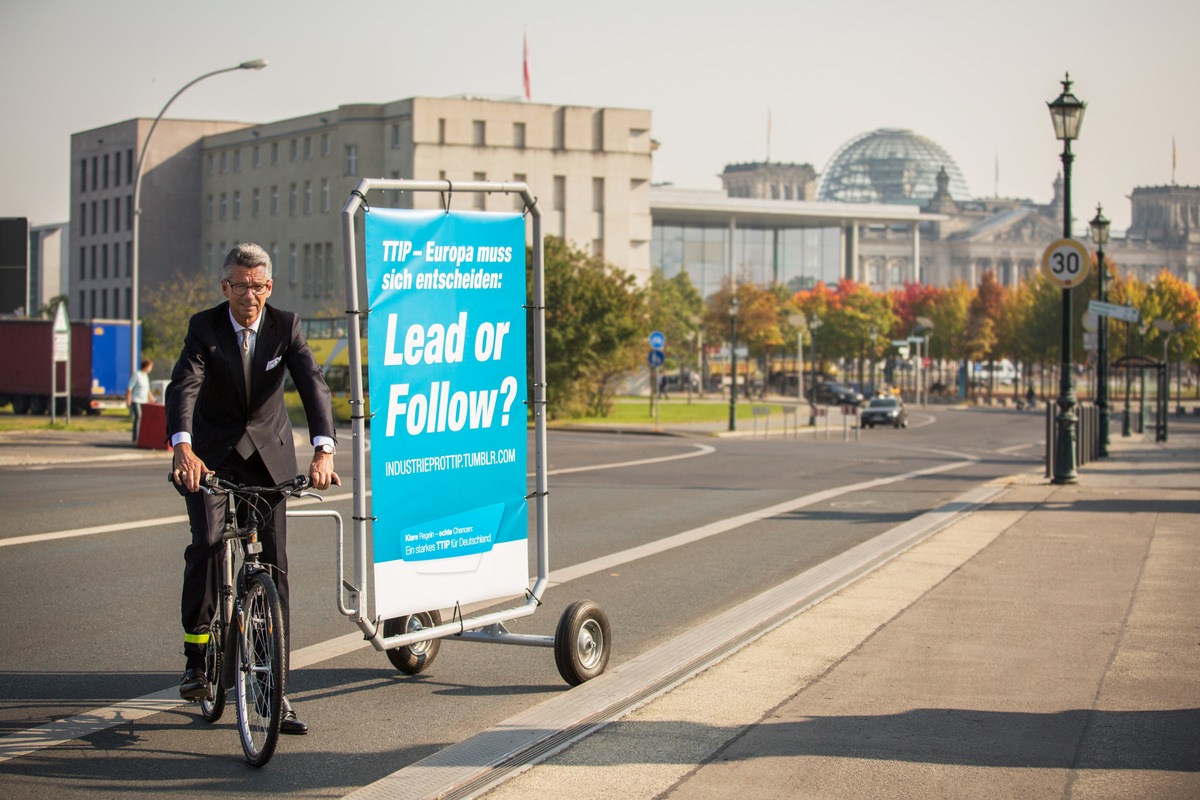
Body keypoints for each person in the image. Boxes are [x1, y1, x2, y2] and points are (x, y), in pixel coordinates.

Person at [166, 243, 339, 736]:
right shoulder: (205, 327)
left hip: (268, 457)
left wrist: (324, 449)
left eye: (259, 286)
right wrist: (183, 446)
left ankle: (275, 693)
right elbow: (184, 386)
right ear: (226, 287)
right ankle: (197, 657)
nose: (250, 296)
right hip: (210, 456)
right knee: (206, 541)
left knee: (275, 566)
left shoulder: (286, 326)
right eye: (240, 286)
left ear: (270, 287)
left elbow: (313, 383)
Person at [126, 358, 153, 444]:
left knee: (144, 419)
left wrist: (152, 399)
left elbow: (147, 390)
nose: (150, 369)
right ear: (146, 366)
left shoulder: (145, 376)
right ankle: (135, 438)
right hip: (136, 400)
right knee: (139, 417)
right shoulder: (137, 375)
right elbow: (129, 388)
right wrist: (128, 400)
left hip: (144, 401)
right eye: (150, 367)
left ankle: (143, 437)